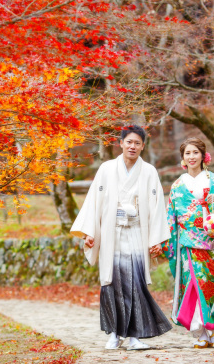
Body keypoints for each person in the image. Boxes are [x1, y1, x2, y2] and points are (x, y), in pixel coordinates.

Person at [71, 125, 172, 350]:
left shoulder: (149, 171)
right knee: (112, 281)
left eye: (137, 143)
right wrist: (90, 232)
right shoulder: (107, 169)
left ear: (143, 146)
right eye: (129, 142)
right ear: (121, 143)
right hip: (111, 233)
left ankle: (135, 335)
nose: (132, 146)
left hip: (137, 231)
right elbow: (93, 203)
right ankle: (115, 334)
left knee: (135, 281)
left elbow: (157, 208)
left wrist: (156, 239)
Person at [162, 137, 214, 348]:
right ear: (182, 158)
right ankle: (200, 331)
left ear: (203, 156)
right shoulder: (177, 185)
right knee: (194, 284)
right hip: (188, 243)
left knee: (211, 286)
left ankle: (210, 331)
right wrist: (166, 241)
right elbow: (171, 216)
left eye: (195, 152)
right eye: (187, 153)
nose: (191, 157)